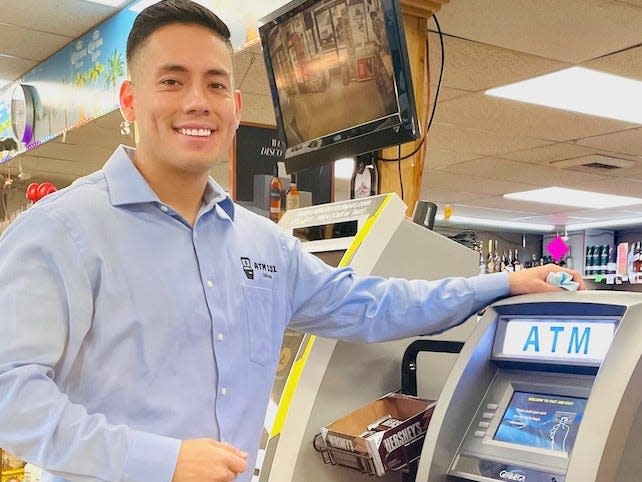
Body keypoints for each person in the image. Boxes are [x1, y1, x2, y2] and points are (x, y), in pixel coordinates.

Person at [0, 2, 585, 482]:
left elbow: (371, 304)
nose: (196, 101)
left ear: (234, 108)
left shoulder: (261, 243)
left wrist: (503, 283)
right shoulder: (62, 232)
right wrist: (162, 460)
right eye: (171, 82)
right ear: (131, 101)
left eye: (214, 83)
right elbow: (11, 398)